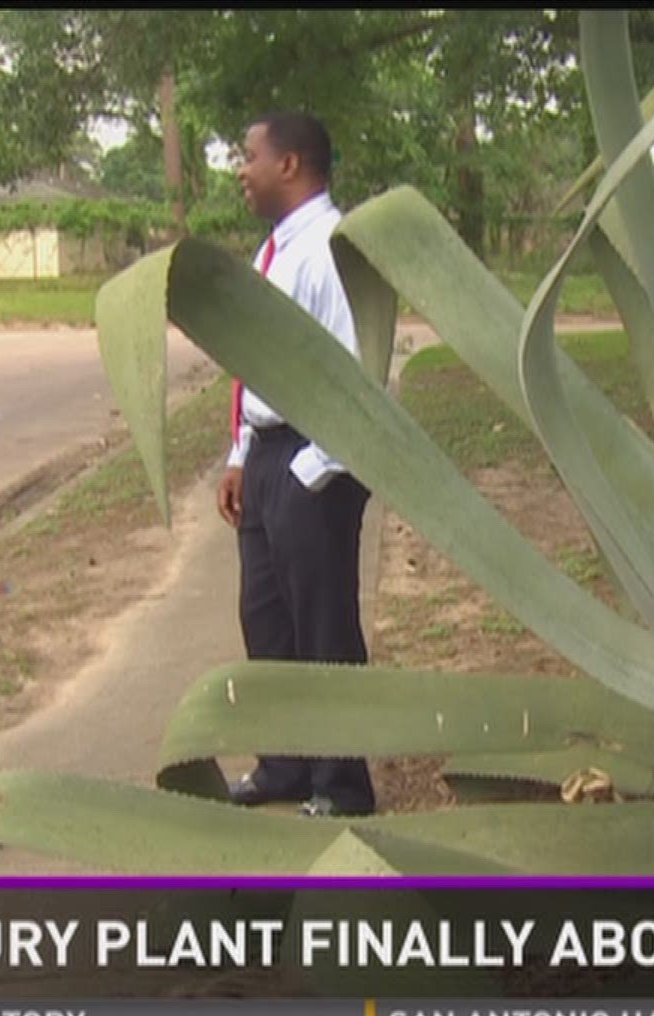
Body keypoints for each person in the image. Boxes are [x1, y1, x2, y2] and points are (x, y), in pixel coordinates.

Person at [218, 111, 375, 818]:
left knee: (323, 627)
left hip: (315, 460)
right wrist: (240, 455)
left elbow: (356, 376)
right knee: (268, 620)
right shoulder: (274, 251)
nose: (240, 171)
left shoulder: (330, 250)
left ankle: (340, 785)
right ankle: (284, 765)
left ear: (289, 164)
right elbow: (254, 366)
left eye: (248, 156)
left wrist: (311, 476)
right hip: (268, 456)